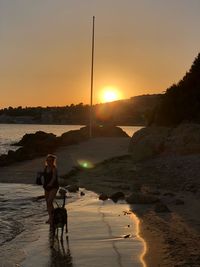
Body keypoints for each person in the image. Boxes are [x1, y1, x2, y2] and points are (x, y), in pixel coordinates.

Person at [43, 154, 59, 224]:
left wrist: (50, 184)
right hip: (46, 187)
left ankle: (52, 218)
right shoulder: (46, 167)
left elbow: (54, 178)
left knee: (49, 201)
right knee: (48, 203)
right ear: (46, 161)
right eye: (48, 160)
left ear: (53, 161)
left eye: (51, 160)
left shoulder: (54, 168)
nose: (49, 162)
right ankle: (51, 217)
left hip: (54, 186)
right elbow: (45, 177)